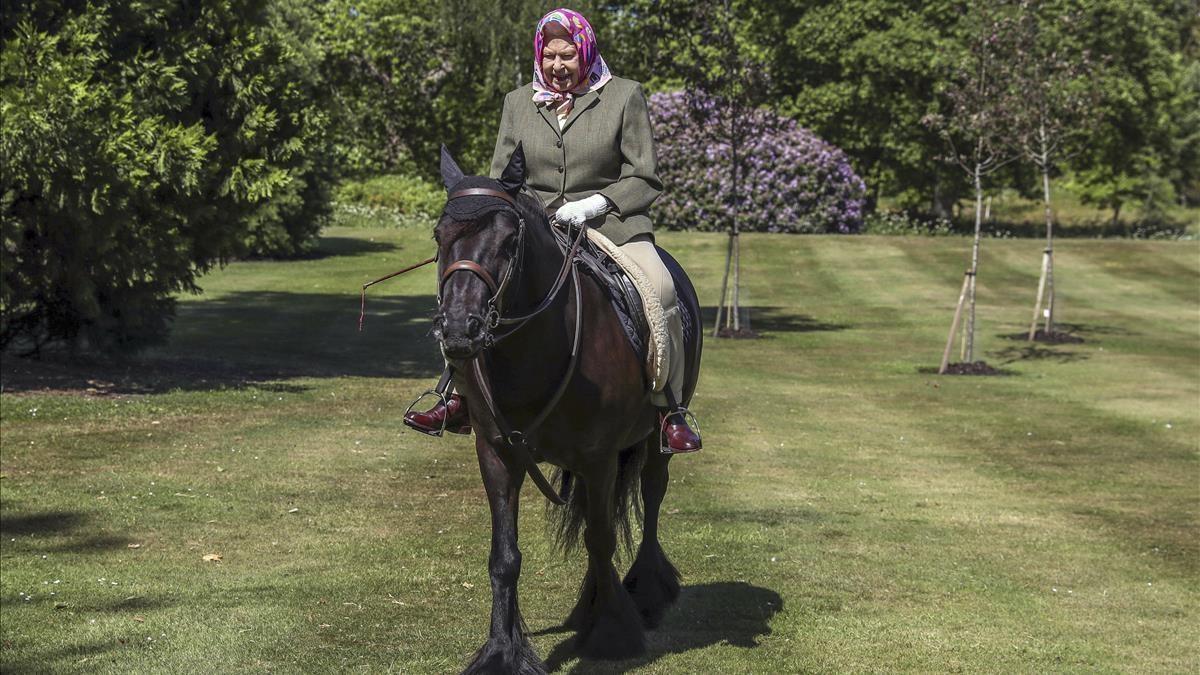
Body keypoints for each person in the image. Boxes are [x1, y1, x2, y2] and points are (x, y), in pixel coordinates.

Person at [405, 8, 700, 453]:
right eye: (550, 57)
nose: (558, 66)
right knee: (470, 289)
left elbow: (644, 177)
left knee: (661, 288)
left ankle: (668, 408)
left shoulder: (623, 96)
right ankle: (457, 395)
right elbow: (503, 177)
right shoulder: (517, 102)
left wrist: (596, 204)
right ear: (539, 56)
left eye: (568, 56)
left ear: (585, 52)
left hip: (612, 224)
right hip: (535, 226)